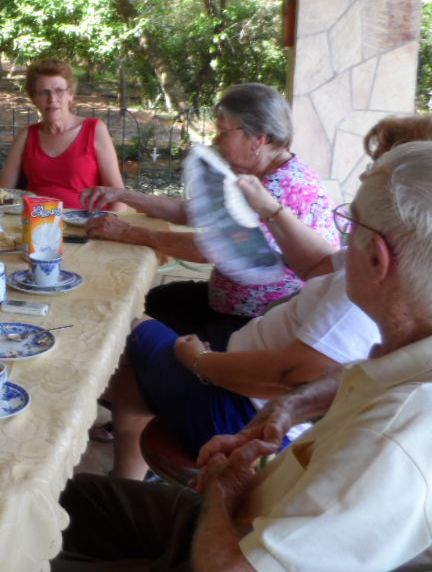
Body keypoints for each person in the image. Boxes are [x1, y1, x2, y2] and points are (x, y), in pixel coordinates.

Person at [52, 141, 432, 571]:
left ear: (378, 259)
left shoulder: (393, 441)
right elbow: (327, 306)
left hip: (226, 542)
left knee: (16, 550)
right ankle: (128, 454)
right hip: (244, 506)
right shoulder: (409, 355)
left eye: (350, 225)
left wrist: (219, 491)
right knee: (68, 499)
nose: (342, 243)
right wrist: (295, 404)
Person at [106, 114, 432, 479]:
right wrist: (270, 208)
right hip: (239, 380)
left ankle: (131, 469)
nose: (362, 178)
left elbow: (293, 374)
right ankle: (136, 460)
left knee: (127, 325)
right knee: (159, 312)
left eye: (376, 168)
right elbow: (321, 263)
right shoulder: (375, 263)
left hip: (236, 409)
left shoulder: (373, 285)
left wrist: (201, 361)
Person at [82, 83, 338, 348]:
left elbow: (214, 250)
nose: (216, 140)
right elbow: (191, 212)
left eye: (223, 131)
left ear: (258, 139)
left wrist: (127, 232)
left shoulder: (281, 187)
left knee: (135, 329)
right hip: (230, 304)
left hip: (254, 325)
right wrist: (122, 195)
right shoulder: (264, 173)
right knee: (146, 301)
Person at [0, 59, 126, 210]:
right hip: (35, 223)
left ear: (70, 95)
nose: (52, 99)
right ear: (34, 99)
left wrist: (110, 227)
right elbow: (2, 193)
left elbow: (118, 197)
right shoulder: (26, 136)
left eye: (59, 91)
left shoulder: (94, 130)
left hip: (83, 224)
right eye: (44, 93)